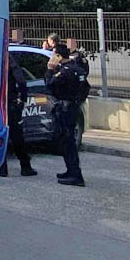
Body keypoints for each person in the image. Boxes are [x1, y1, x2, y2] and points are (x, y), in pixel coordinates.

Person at [45, 40, 90, 186]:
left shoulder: (64, 72)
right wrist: (78, 101)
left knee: (67, 141)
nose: (52, 57)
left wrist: (50, 70)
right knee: (67, 141)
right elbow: (86, 88)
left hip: (65, 109)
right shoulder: (77, 69)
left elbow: (49, 84)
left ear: (58, 56)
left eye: (54, 54)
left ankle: (75, 175)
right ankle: (71, 171)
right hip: (73, 107)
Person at [0, 52, 37, 177]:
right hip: (10, 104)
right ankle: (25, 166)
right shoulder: (8, 59)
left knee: (1, 134)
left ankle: (2, 167)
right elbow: (21, 80)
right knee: (17, 136)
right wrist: (23, 99)